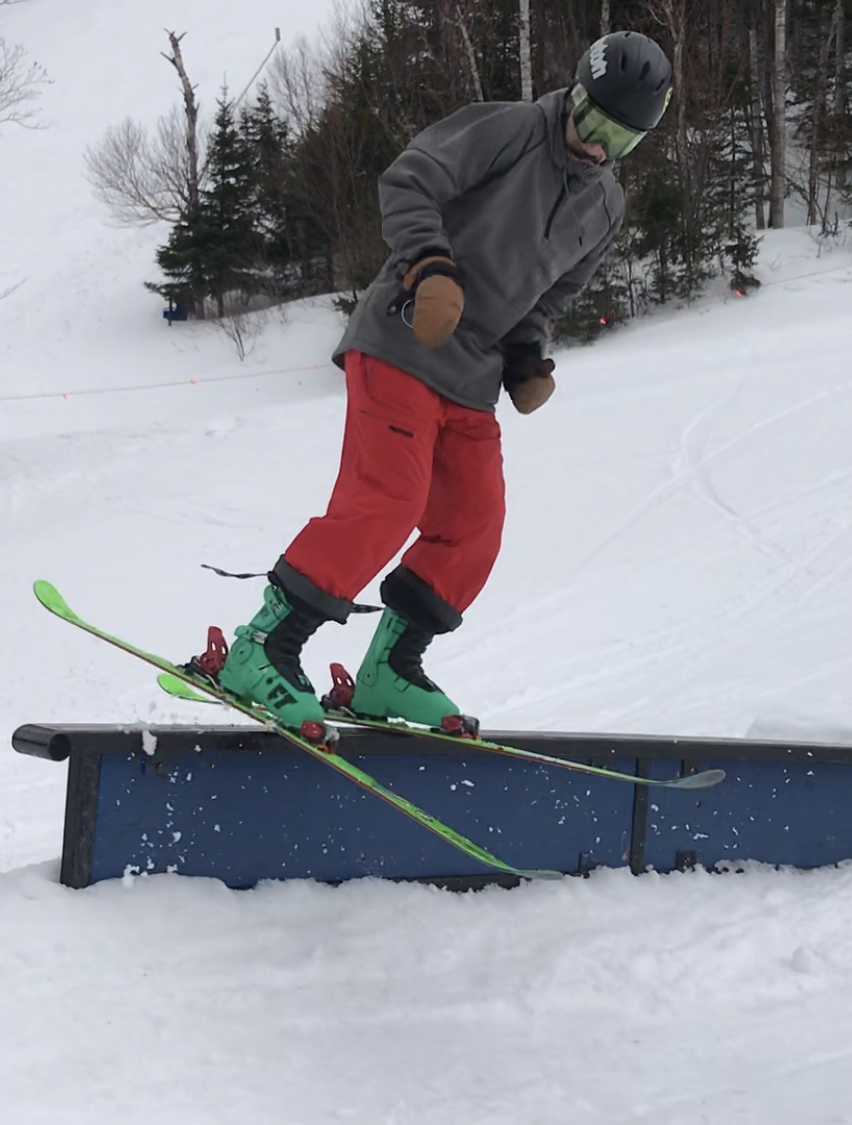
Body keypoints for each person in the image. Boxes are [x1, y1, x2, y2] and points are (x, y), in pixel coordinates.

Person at [210, 31, 675, 738]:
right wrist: (429, 264)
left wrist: (526, 356)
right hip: (403, 337)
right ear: (574, 96)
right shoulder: (511, 128)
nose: (597, 147)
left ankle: (388, 668)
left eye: (621, 140)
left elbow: (550, 296)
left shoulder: (604, 205)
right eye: (593, 123)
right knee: (388, 500)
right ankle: (262, 648)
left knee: (473, 523)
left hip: (473, 374)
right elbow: (410, 177)